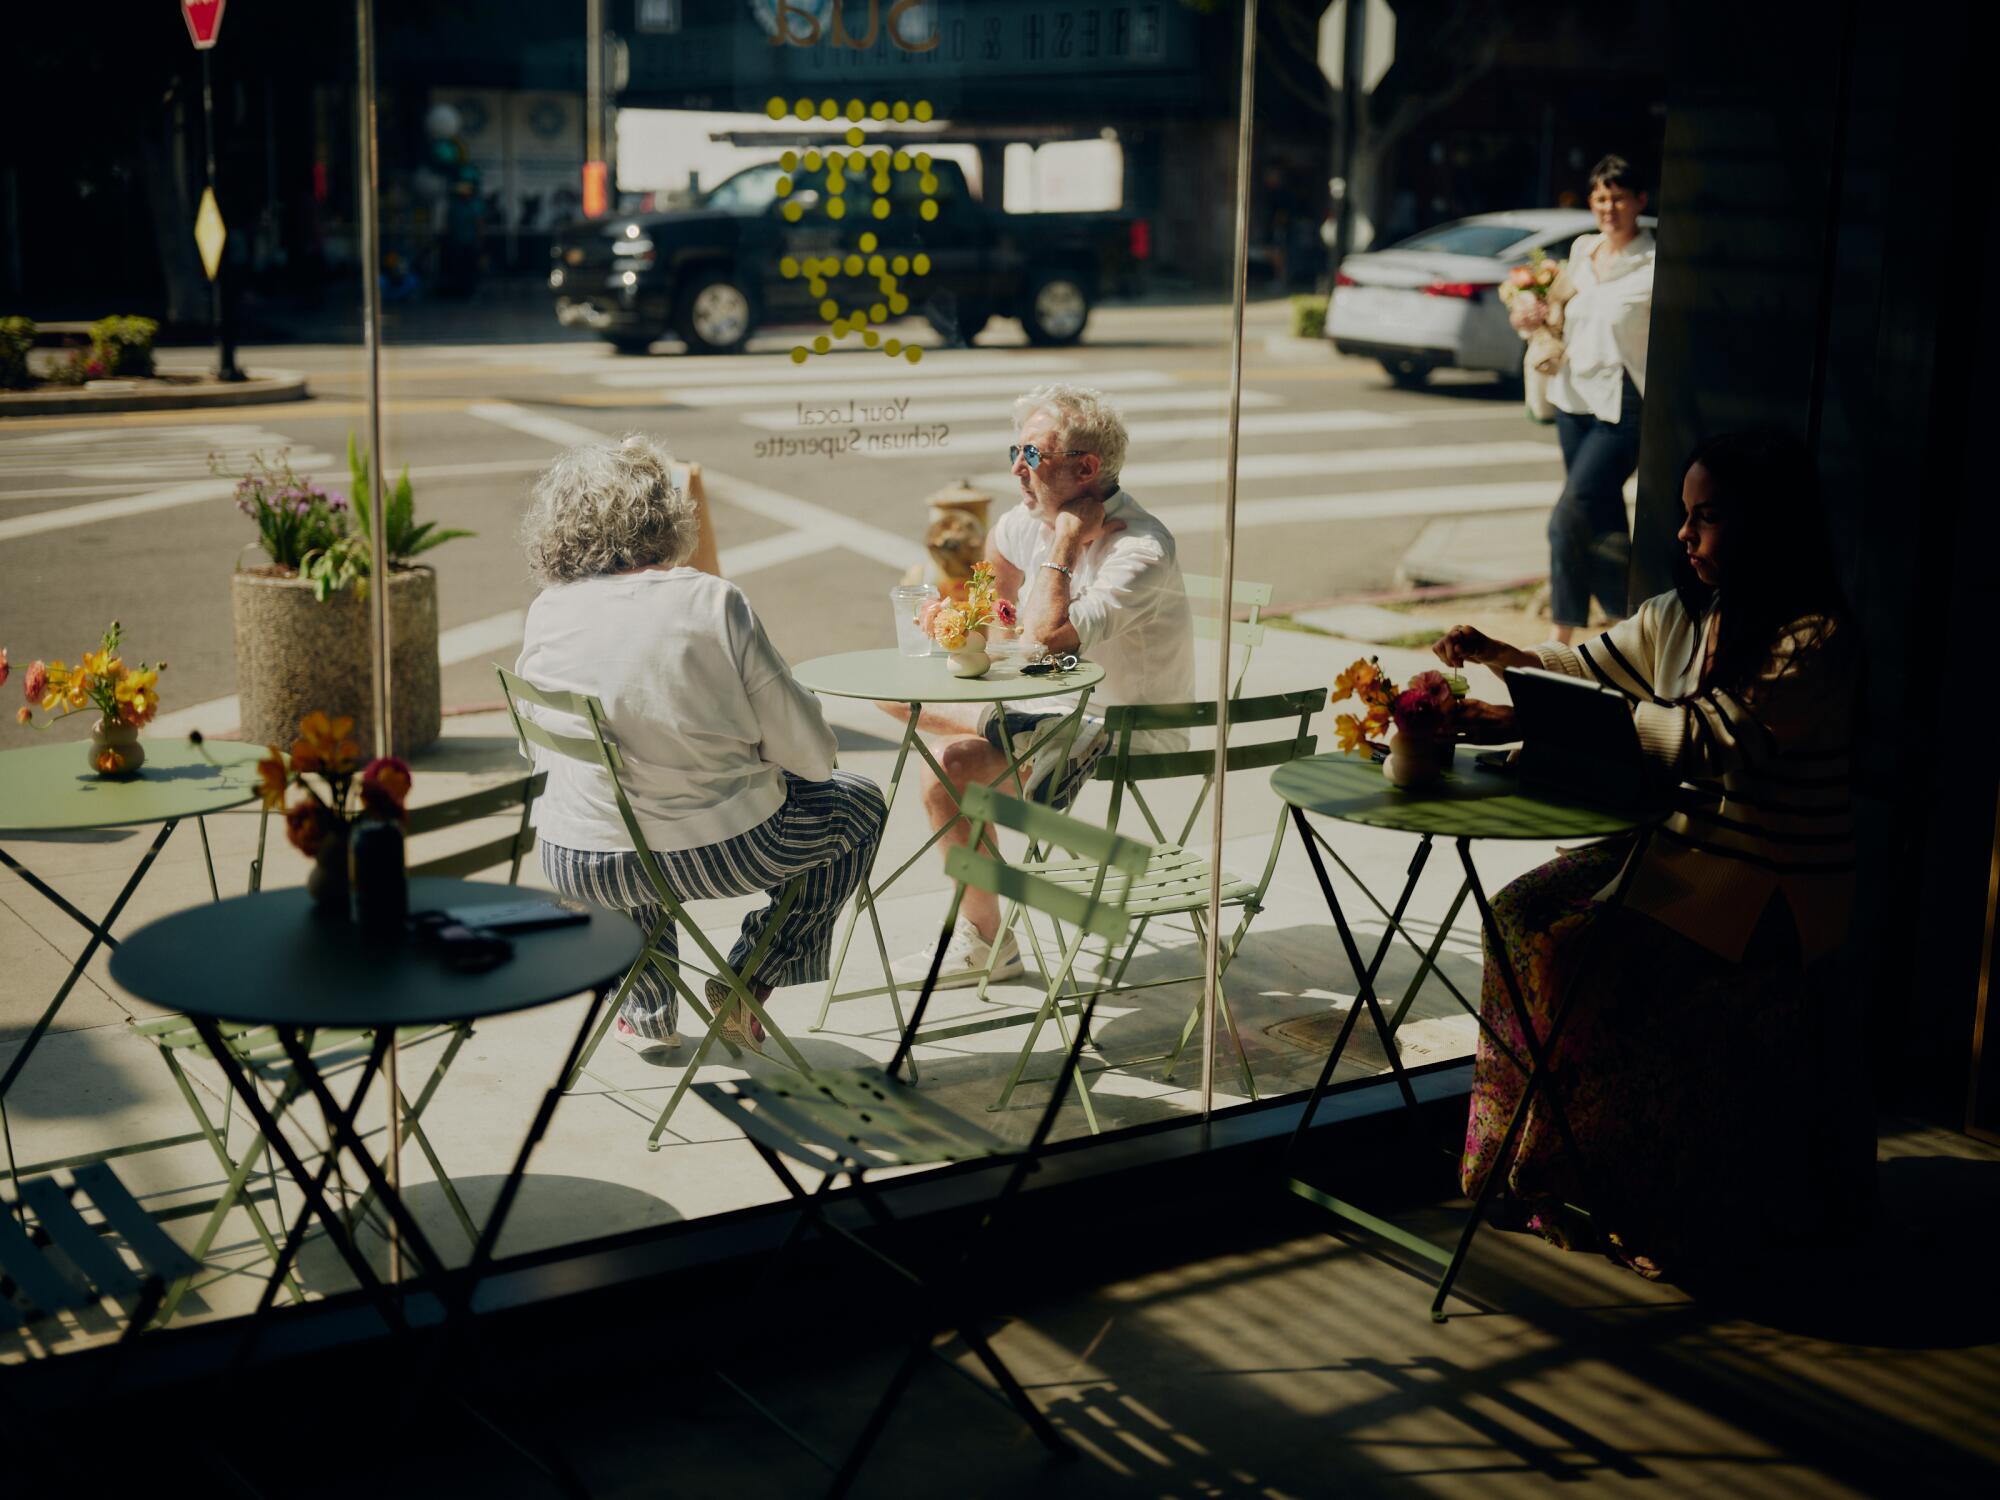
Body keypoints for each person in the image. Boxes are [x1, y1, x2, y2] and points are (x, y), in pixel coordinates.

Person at [1434, 427, 1861, 1279]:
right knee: (1517, 915)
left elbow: (1705, 737)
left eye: (1706, 519)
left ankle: (1619, 1184)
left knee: (1579, 953)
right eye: (1684, 516)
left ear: (1763, 527)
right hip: (1680, 857)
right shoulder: (1685, 617)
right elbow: (1586, 666)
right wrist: (1501, 661)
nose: (1685, 536)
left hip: (1762, 886)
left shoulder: (1812, 641)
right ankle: (1537, 1163)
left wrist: (1525, 717)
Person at [515, 437, 887, 1051]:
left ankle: (647, 1006)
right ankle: (748, 979)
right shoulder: (711, 600)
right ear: (664, 514)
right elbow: (814, 757)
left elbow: (539, 749)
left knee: (629, 819)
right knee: (859, 804)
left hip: (574, 862)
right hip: (716, 851)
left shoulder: (547, 610)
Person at [885, 383, 1195, 988]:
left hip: (1123, 729)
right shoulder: (1020, 522)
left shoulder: (1141, 548)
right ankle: (987, 936)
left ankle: (983, 941)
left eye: (1032, 455)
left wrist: (1063, 542)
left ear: (1086, 468)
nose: (1016, 468)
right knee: (902, 701)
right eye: (1014, 451)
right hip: (1049, 708)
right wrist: (962, 623)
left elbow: (1049, 635)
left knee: (947, 760)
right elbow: (994, 608)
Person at [1511, 154, 1656, 644]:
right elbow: (1557, 313)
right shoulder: (1582, 251)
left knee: (1567, 517)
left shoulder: (1654, 263)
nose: (1608, 207)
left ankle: (1560, 637)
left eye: (1617, 197)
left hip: (1623, 406)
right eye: (1599, 198)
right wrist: (1529, 312)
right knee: (1603, 517)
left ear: (1640, 200)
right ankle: (1623, 627)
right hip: (1573, 399)